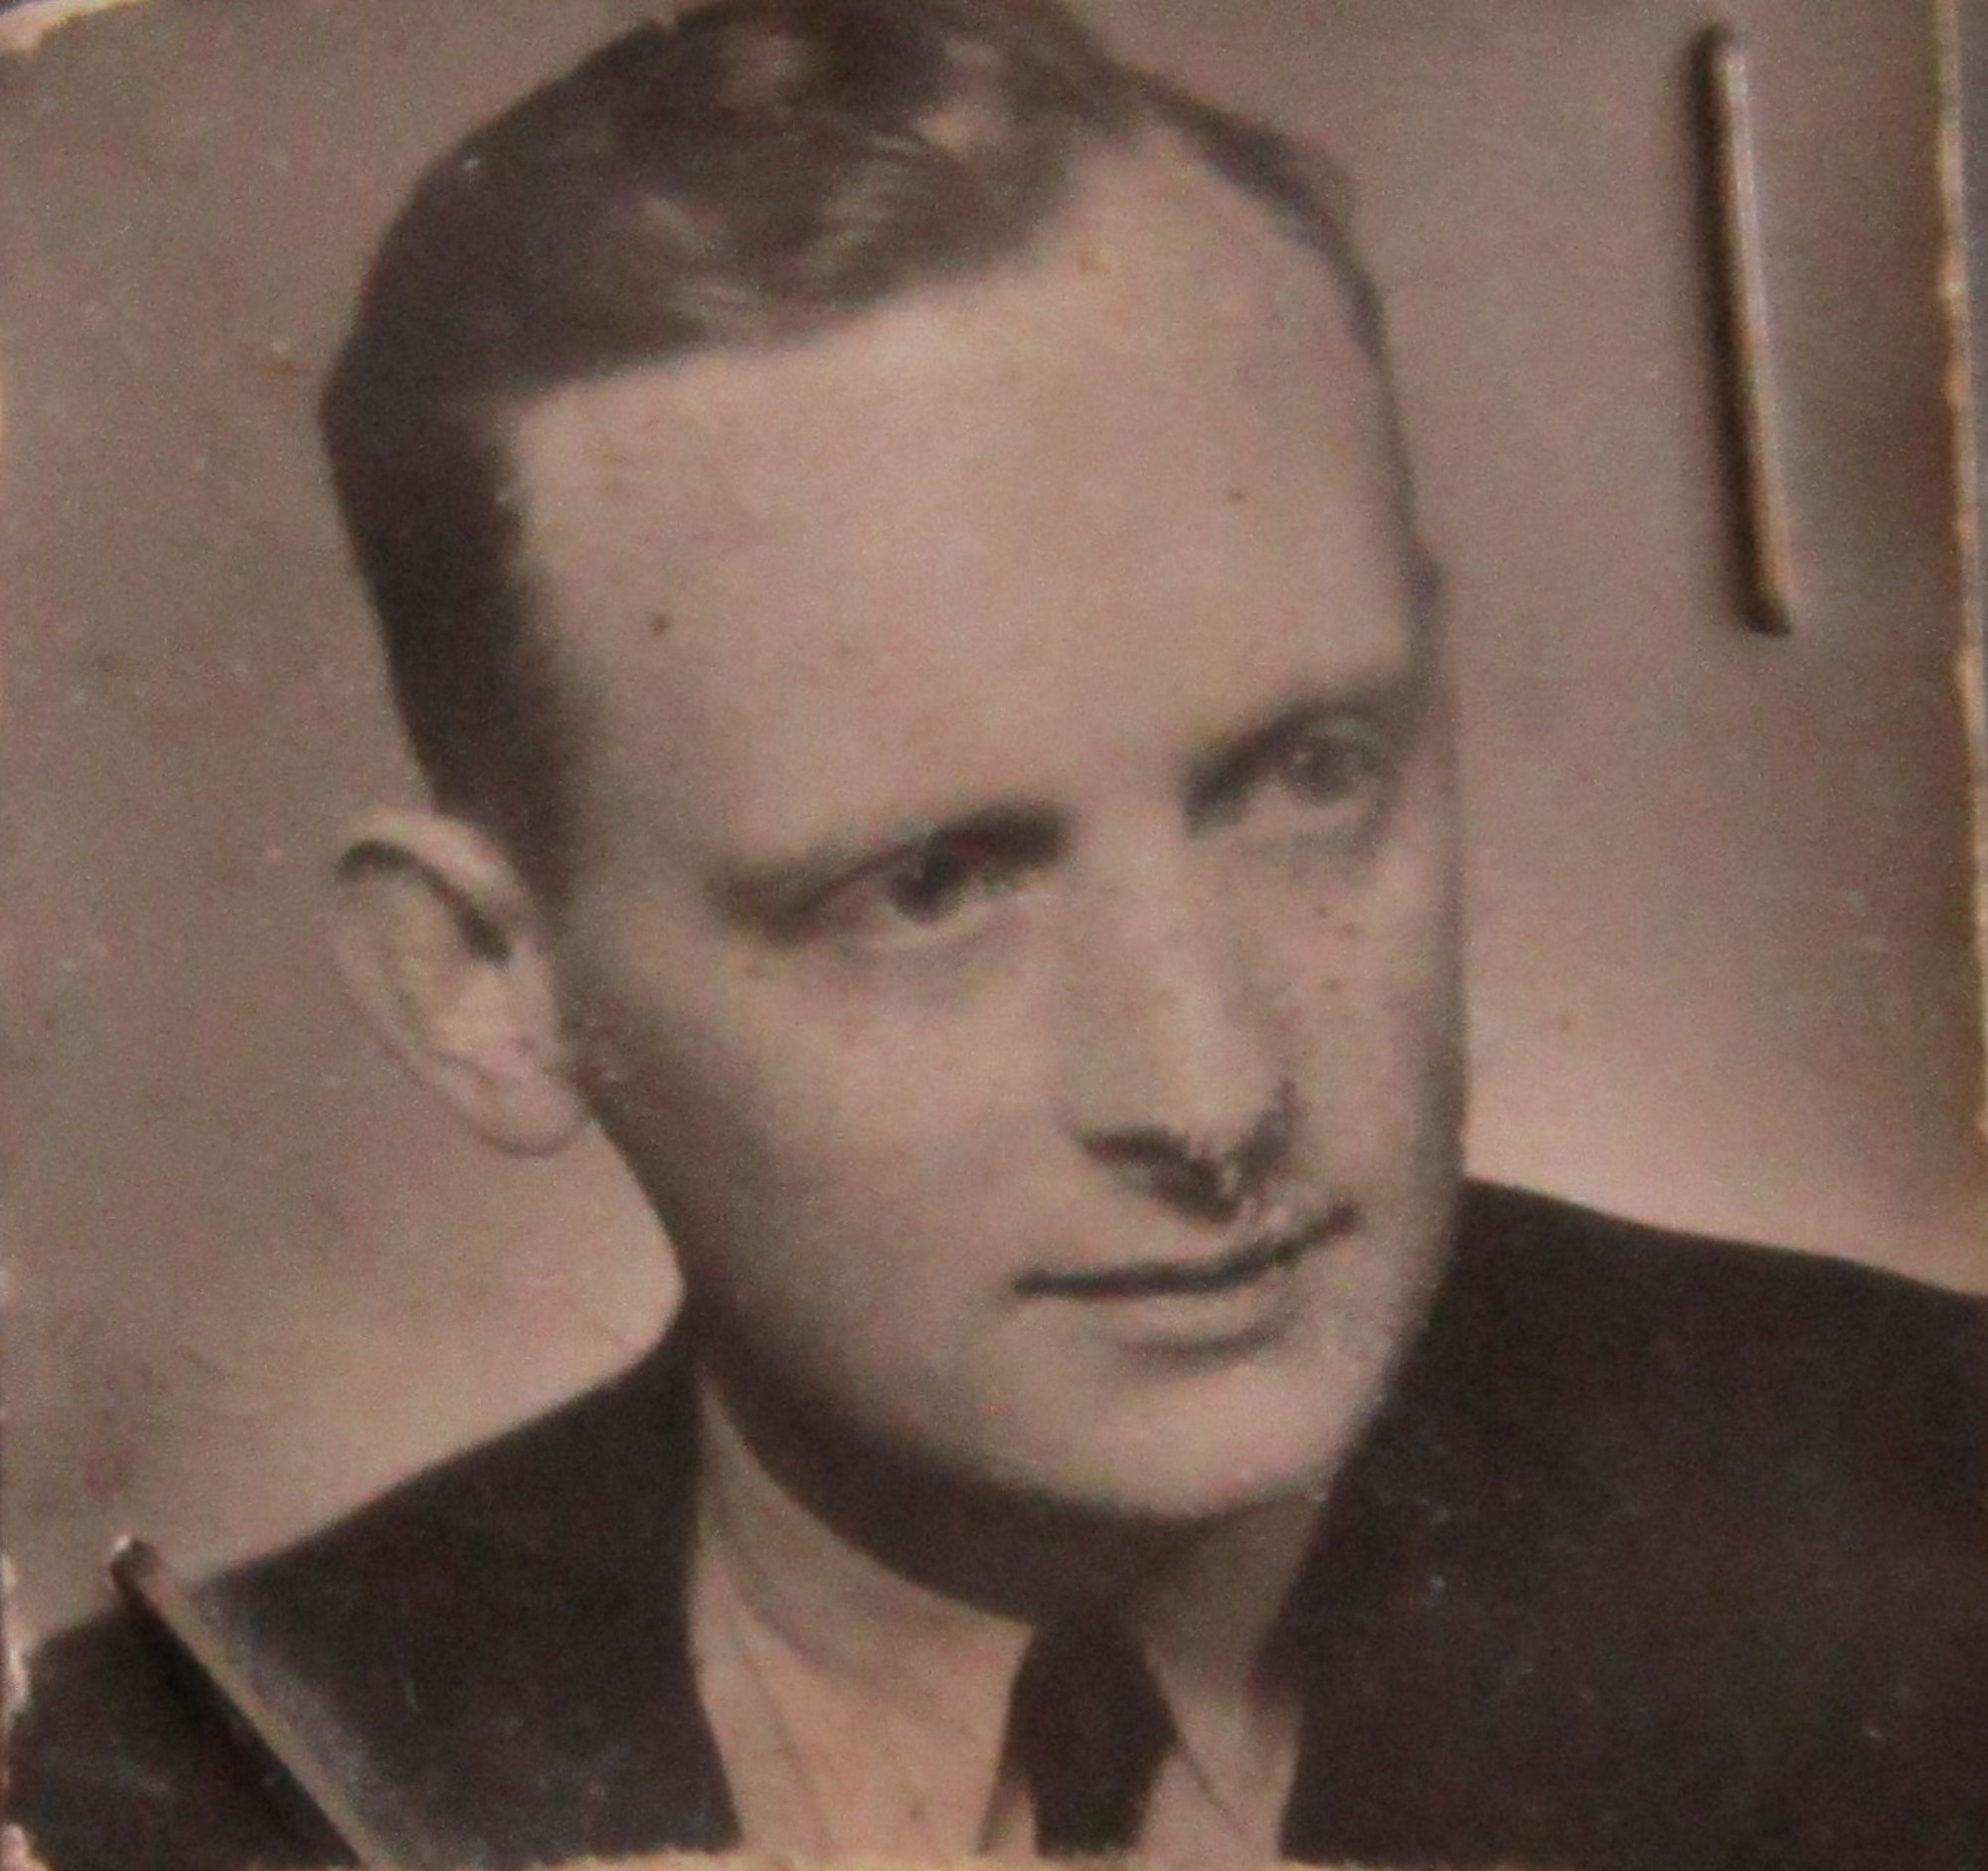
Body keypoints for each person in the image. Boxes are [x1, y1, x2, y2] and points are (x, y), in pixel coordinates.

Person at [10, 2, 1986, 1868]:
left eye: (1307, 773)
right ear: (486, 987)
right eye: (931, 885)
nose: (1210, 1094)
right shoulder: (137, 1787)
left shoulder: (1935, 1531)